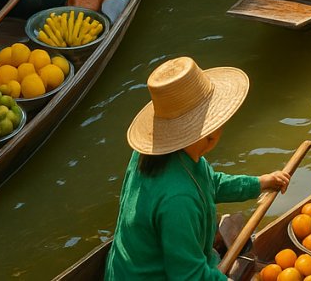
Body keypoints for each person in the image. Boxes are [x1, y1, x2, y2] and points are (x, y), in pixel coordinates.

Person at [105, 56, 291, 281]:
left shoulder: (154, 153)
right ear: (210, 135)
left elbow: (211, 182)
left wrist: (260, 183)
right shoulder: (178, 198)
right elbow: (189, 276)